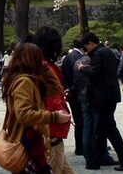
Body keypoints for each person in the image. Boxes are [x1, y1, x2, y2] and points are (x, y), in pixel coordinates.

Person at [1, 42, 70, 174]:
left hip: (32, 140)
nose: (42, 60)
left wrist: (45, 69)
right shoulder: (24, 82)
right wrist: (54, 116)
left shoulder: (29, 80)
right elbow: (24, 114)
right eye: (39, 57)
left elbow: (56, 88)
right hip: (27, 141)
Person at [76, 32, 123, 172]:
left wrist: (83, 68)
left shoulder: (97, 54)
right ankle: (96, 162)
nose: (85, 51)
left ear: (91, 43)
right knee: (101, 131)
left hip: (101, 97)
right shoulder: (108, 52)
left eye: (86, 47)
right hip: (109, 96)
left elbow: (95, 73)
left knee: (107, 130)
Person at [34, 27, 75, 174]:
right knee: (55, 167)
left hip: (42, 128)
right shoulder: (46, 68)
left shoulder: (35, 64)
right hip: (51, 130)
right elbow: (53, 98)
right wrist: (62, 115)